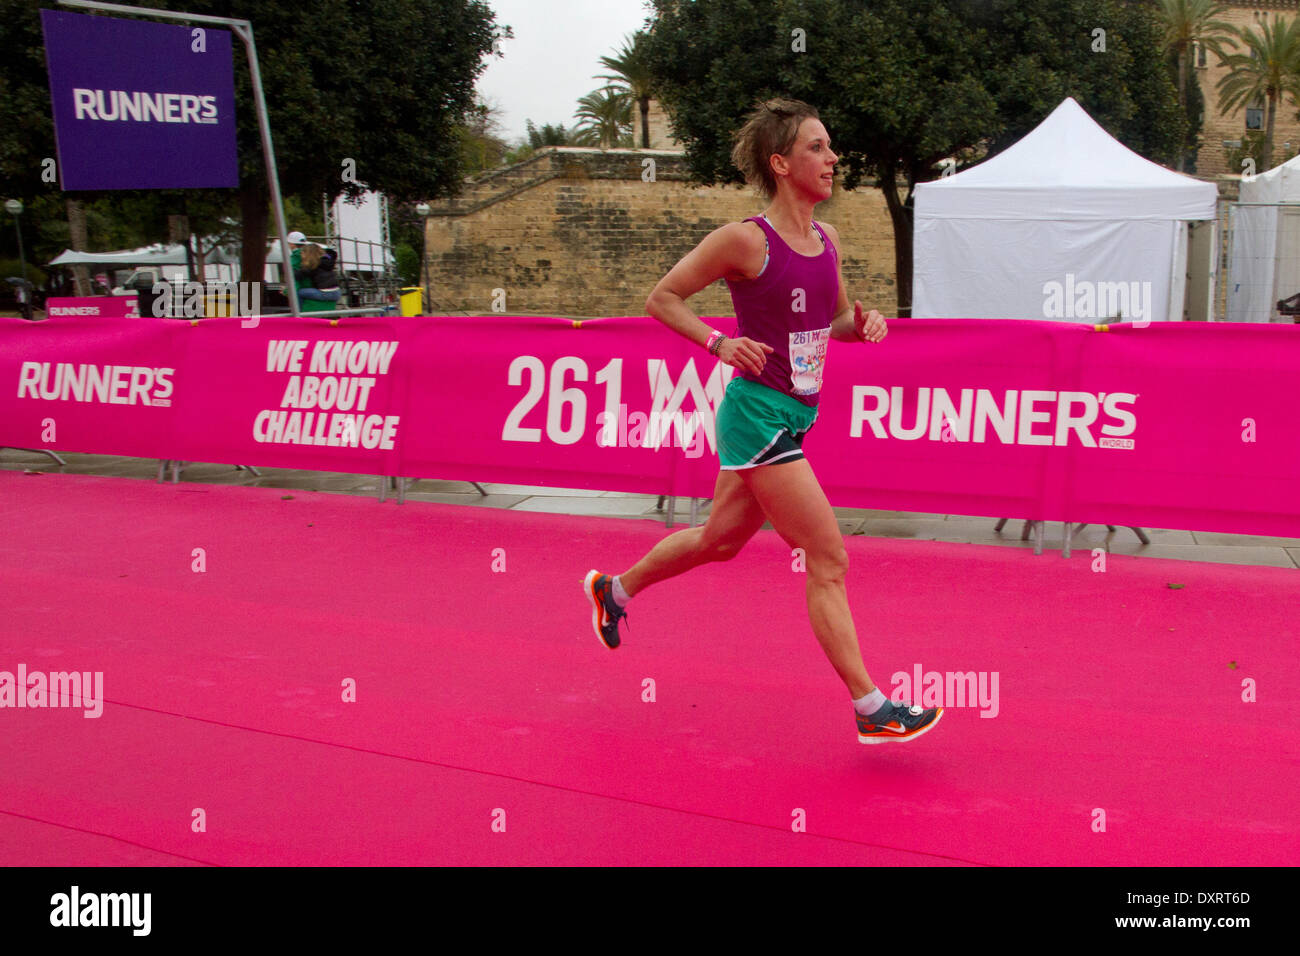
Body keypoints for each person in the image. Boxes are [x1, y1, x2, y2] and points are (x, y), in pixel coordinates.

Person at [583, 98, 943, 745]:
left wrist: (862, 329)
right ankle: (873, 709)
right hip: (756, 421)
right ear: (781, 163)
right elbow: (661, 298)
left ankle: (616, 591)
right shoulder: (745, 241)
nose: (832, 159)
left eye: (830, 147)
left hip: (795, 416)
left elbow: (826, 325)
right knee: (827, 557)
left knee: (720, 541)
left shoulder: (826, 240)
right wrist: (718, 344)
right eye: (817, 147)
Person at [290, 236, 341, 303]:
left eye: (303, 253)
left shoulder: (313, 265)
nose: (301, 255)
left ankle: (298, 312)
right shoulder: (326, 260)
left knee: (299, 293)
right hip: (337, 292)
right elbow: (331, 253)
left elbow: (298, 275)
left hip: (326, 293)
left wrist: (291, 270)